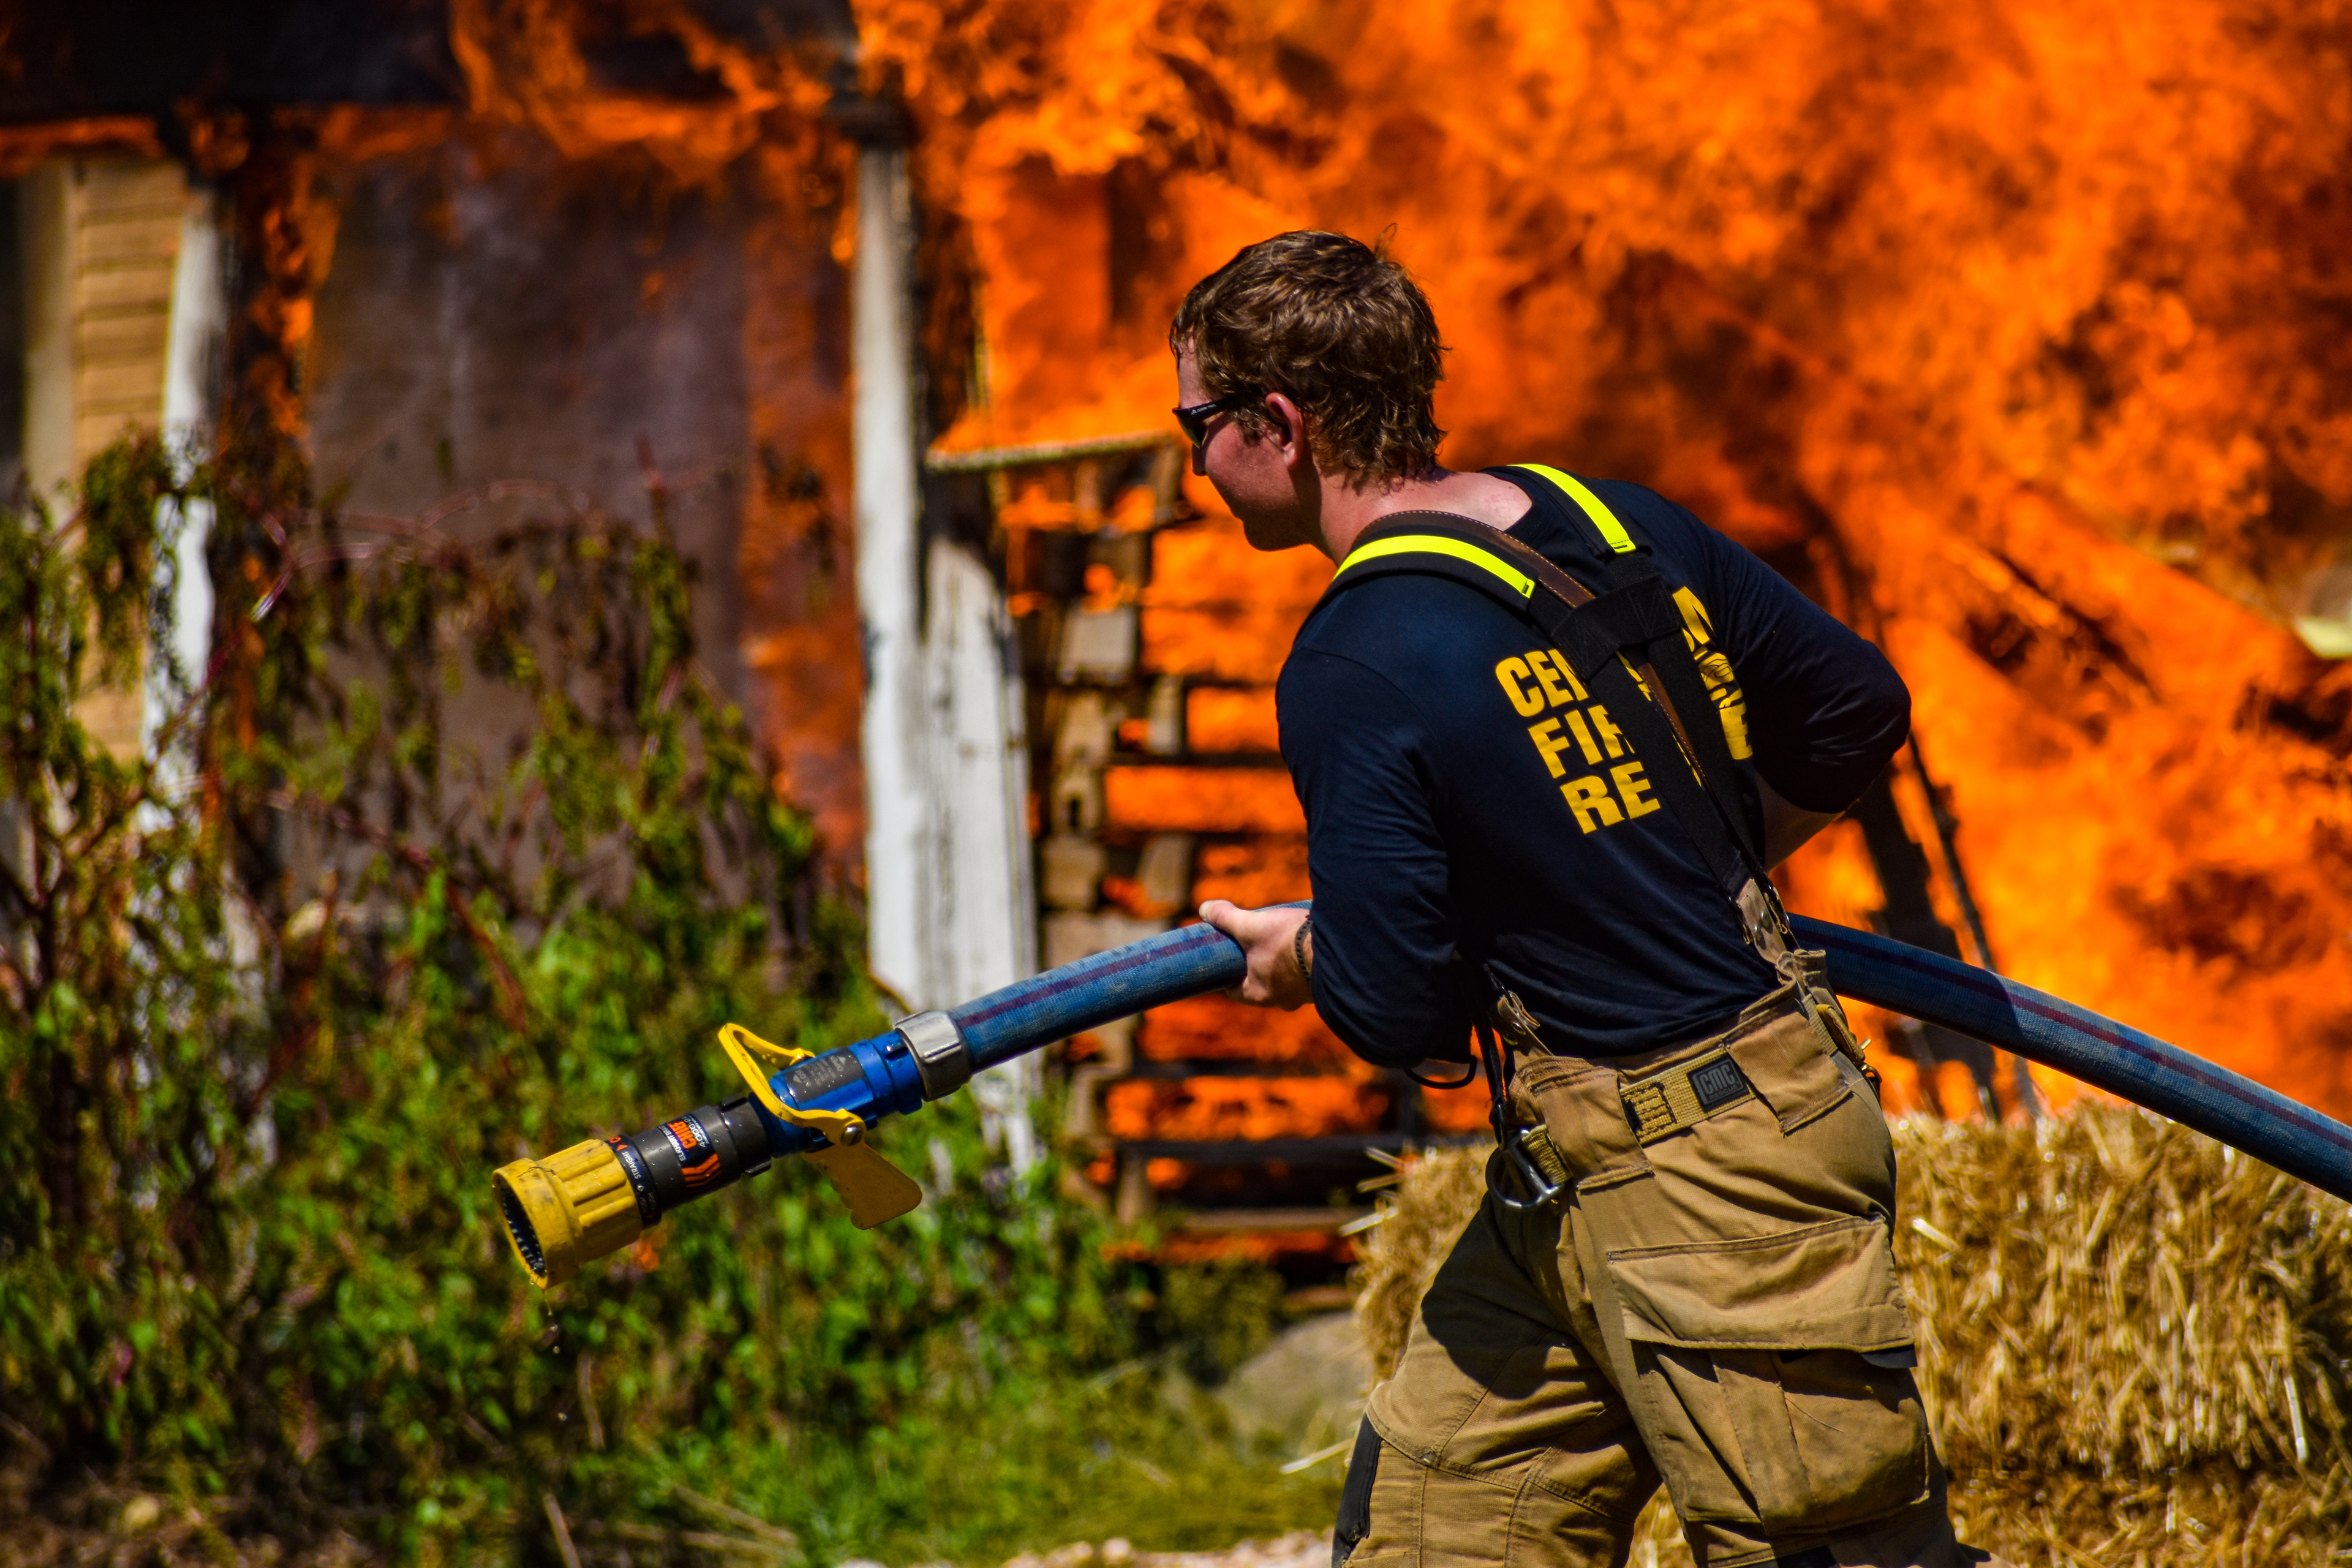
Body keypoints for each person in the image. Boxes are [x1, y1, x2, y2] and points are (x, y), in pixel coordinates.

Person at [1176, 230, 2005, 1568]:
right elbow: (1852, 705)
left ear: (1281, 423)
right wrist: (1691, 858)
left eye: (1198, 427)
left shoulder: (1355, 656)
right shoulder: (1613, 520)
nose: (1195, 465)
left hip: (1716, 1187)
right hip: (1581, 1174)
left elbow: (1394, 1005)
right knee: (1439, 1531)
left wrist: (1303, 959)